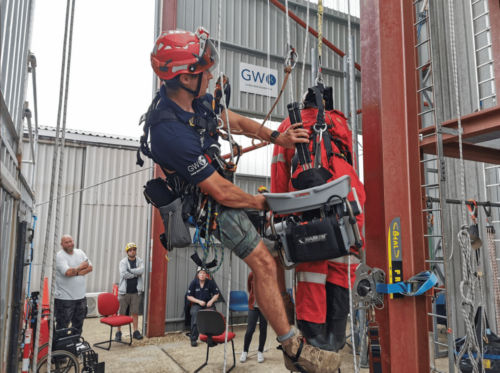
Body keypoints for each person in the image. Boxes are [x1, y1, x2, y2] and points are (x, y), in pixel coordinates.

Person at [142, 27, 342, 372]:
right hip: (208, 205)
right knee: (263, 262)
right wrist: (263, 202)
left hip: (218, 188)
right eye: (203, 69)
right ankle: (293, 348)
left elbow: (233, 120)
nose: (209, 74)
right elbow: (220, 191)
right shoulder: (168, 131)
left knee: (273, 254)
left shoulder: (193, 98)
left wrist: (278, 137)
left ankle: (282, 316)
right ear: (184, 76)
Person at [270, 88, 366, 352]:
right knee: (342, 266)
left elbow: (279, 171)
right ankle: (335, 338)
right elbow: (350, 164)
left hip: (307, 205)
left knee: (312, 269)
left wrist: (277, 215)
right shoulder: (341, 123)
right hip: (347, 204)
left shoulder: (289, 124)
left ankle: (314, 341)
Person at [55, 235, 93, 335]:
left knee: (78, 324)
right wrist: (80, 267)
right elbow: (67, 272)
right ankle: (60, 347)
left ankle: (76, 343)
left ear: (73, 241)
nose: (69, 244)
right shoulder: (59, 256)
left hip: (80, 297)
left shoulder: (79, 252)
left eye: (70, 241)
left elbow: (90, 268)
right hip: (65, 298)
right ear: (61, 244)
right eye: (66, 242)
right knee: (62, 325)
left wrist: (75, 272)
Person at [116, 242, 144, 341]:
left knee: (135, 312)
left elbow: (142, 270)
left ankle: (135, 331)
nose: (133, 251)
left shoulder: (140, 261)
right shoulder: (123, 262)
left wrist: (131, 271)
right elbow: (124, 274)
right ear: (127, 251)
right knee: (121, 313)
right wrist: (135, 273)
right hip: (124, 292)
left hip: (136, 292)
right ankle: (118, 332)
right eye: (130, 250)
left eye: (134, 250)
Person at [186, 267, 220, 347]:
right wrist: (199, 301)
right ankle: (193, 338)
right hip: (197, 304)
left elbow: (217, 294)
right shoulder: (194, 283)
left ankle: (210, 338)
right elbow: (189, 296)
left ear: (206, 274)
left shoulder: (210, 283)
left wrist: (211, 301)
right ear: (198, 274)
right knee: (195, 314)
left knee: (212, 315)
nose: (202, 274)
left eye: (204, 273)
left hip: (208, 304)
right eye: (200, 273)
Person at [240, 272, 267, 364]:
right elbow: (249, 287)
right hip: (253, 306)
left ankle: (260, 352)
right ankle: (245, 351)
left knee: (263, 329)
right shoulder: (252, 274)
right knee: (250, 330)